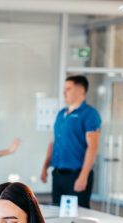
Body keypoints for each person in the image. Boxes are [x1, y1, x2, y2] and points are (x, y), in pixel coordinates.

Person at [40, 75, 101, 208]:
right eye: (64, 89)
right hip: (58, 174)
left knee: (78, 216)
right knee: (57, 212)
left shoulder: (90, 114)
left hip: (76, 175)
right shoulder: (61, 114)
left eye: (68, 89)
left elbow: (93, 147)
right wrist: (45, 167)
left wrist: (83, 176)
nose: (64, 92)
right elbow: (53, 142)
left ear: (81, 90)